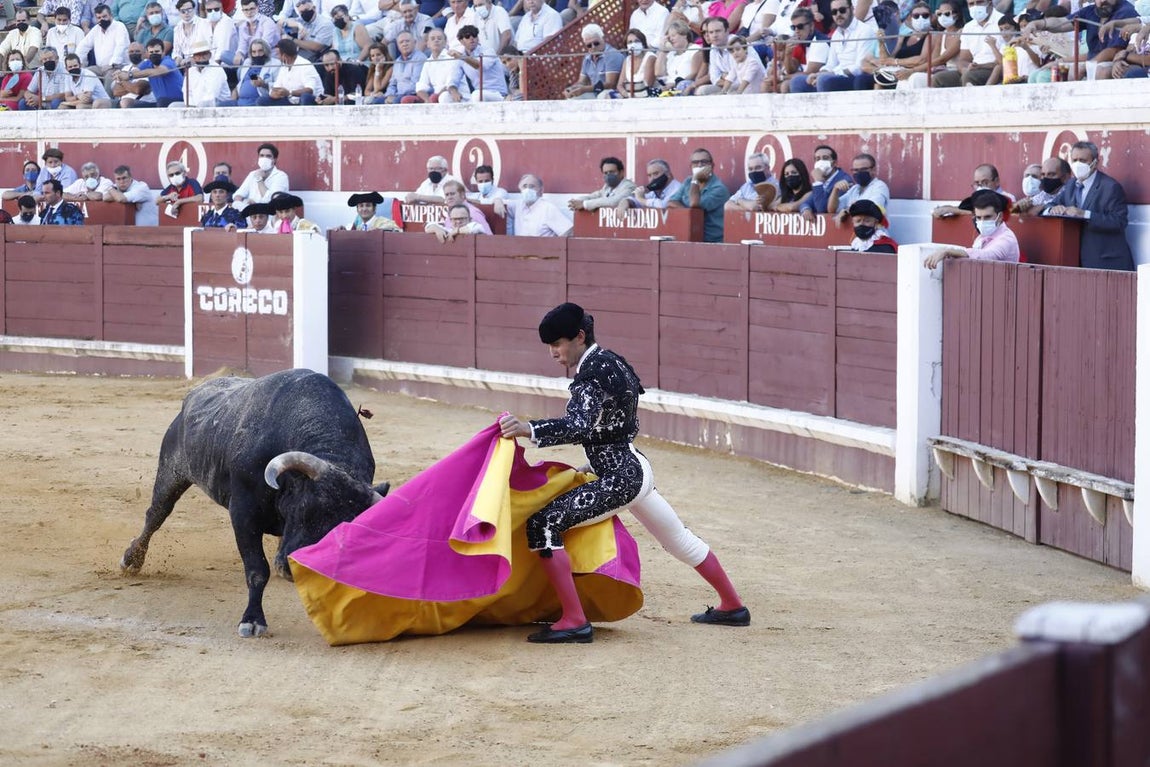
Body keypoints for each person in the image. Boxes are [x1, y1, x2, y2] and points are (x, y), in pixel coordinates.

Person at [497, 303, 749, 643]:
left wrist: (530, 428)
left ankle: (573, 619)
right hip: (633, 467)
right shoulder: (612, 361)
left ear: (579, 337)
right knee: (678, 539)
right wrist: (597, 460)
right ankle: (732, 605)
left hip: (622, 478)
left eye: (557, 343)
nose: (553, 352)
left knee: (543, 524)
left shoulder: (590, 375)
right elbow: (617, 423)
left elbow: (578, 425)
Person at [1039, 140, 1135, 271]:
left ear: (1095, 162)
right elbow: (1049, 205)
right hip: (1075, 261)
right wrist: (1052, 209)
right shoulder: (1071, 184)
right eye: (1074, 160)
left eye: (1083, 160)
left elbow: (1119, 222)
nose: (1078, 164)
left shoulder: (1110, 187)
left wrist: (1085, 214)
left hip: (1107, 263)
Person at [790, 0, 878, 92]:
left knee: (824, 80)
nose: (838, 14)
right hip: (837, 76)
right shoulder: (836, 35)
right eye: (834, 12)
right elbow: (831, 64)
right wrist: (820, 73)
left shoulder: (864, 31)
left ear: (852, 9)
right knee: (797, 82)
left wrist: (832, 73)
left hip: (854, 77)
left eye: (842, 10)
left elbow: (860, 67)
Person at [924, 189, 1020, 269]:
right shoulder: (982, 237)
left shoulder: (1006, 238)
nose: (982, 221)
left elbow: (986, 255)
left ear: (999, 216)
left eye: (987, 217)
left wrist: (947, 251)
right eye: (979, 217)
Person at [667, 148, 729, 243]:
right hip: (689, 238)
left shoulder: (719, 188)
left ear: (712, 165)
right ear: (690, 166)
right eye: (695, 162)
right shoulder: (688, 181)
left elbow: (694, 204)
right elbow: (671, 202)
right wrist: (688, 213)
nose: (699, 165)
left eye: (704, 162)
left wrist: (696, 179)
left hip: (712, 243)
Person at [933, 0, 1001, 86]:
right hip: (973, 69)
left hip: (994, 69)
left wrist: (973, 71)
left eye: (979, 2)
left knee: (969, 77)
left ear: (990, 3)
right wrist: (965, 70)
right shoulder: (968, 27)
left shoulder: (1002, 22)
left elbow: (1004, 59)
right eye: (971, 4)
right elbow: (963, 60)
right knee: (939, 79)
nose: (975, 6)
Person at [493, 174, 573, 237]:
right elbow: (499, 201)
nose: (527, 190)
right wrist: (497, 200)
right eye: (524, 186)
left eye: (532, 186)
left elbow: (568, 231)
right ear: (520, 190)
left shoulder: (548, 208)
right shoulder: (517, 205)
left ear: (541, 191)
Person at [932, 164, 1014, 218]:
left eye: (985, 182)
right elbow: (966, 208)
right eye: (977, 183)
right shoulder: (976, 198)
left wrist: (955, 211)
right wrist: (947, 209)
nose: (981, 187)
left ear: (997, 181)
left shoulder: (1008, 198)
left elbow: (987, 214)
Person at [451, 24, 508, 101]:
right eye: (467, 36)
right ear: (461, 41)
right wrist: (454, 91)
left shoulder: (488, 51)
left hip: (498, 94)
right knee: (446, 96)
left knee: (476, 94)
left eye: (474, 35)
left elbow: (480, 66)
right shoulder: (460, 56)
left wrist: (463, 57)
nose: (471, 38)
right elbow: (453, 79)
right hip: (478, 95)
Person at [75, 3, 130, 83]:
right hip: (100, 67)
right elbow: (83, 46)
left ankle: (107, 96)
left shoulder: (119, 26)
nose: (102, 20)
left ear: (110, 15)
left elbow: (121, 47)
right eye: (99, 18)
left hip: (117, 67)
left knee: (110, 77)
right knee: (83, 74)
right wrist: (78, 62)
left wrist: (111, 65)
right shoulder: (96, 29)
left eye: (104, 16)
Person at [827, 152, 889, 222]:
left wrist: (846, 211)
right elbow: (832, 209)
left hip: (874, 231)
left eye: (863, 169)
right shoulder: (854, 189)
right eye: (856, 170)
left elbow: (870, 207)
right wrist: (835, 190)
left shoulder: (880, 186)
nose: (859, 173)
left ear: (873, 170)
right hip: (853, 231)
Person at [568, 156, 638, 213]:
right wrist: (577, 202)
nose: (608, 175)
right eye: (605, 173)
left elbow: (614, 202)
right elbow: (593, 196)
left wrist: (584, 204)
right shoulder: (607, 188)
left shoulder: (630, 186)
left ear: (621, 172)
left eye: (612, 172)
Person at [602, 27, 656, 98]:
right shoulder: (627, 60)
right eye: (630, 42)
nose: (633, 44)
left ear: (643, 43)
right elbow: (619, 85)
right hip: (629, 94)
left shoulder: (650, 57)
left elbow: (647, 84)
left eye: (637, 41)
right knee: (606, 95)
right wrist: (625, 94)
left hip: (645, 95)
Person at [382, 30, 425, 103]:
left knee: (396, 101)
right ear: (398, 46)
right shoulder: (397, 61)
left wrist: (396, 95)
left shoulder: (420, 58)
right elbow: (393, 83)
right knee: (377, 101)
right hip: (398, 95)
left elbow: (416, 84)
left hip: (413, 94)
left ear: (414, 43)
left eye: (407, 41)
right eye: (401, 42)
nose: (404, 44)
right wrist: (389, 95)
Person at [234, 0, 280, 67]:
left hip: (269, 56)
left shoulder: (267, 22)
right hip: (252, 56)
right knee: (226, 55)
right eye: (246, 10)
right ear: (242, 11)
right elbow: (242, 45)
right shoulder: (243, 26)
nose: (249, 13)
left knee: (246, 63)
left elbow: (264, 46)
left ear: (257, 8)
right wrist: (239, 54)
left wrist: (248, 57)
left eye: (252, 9)